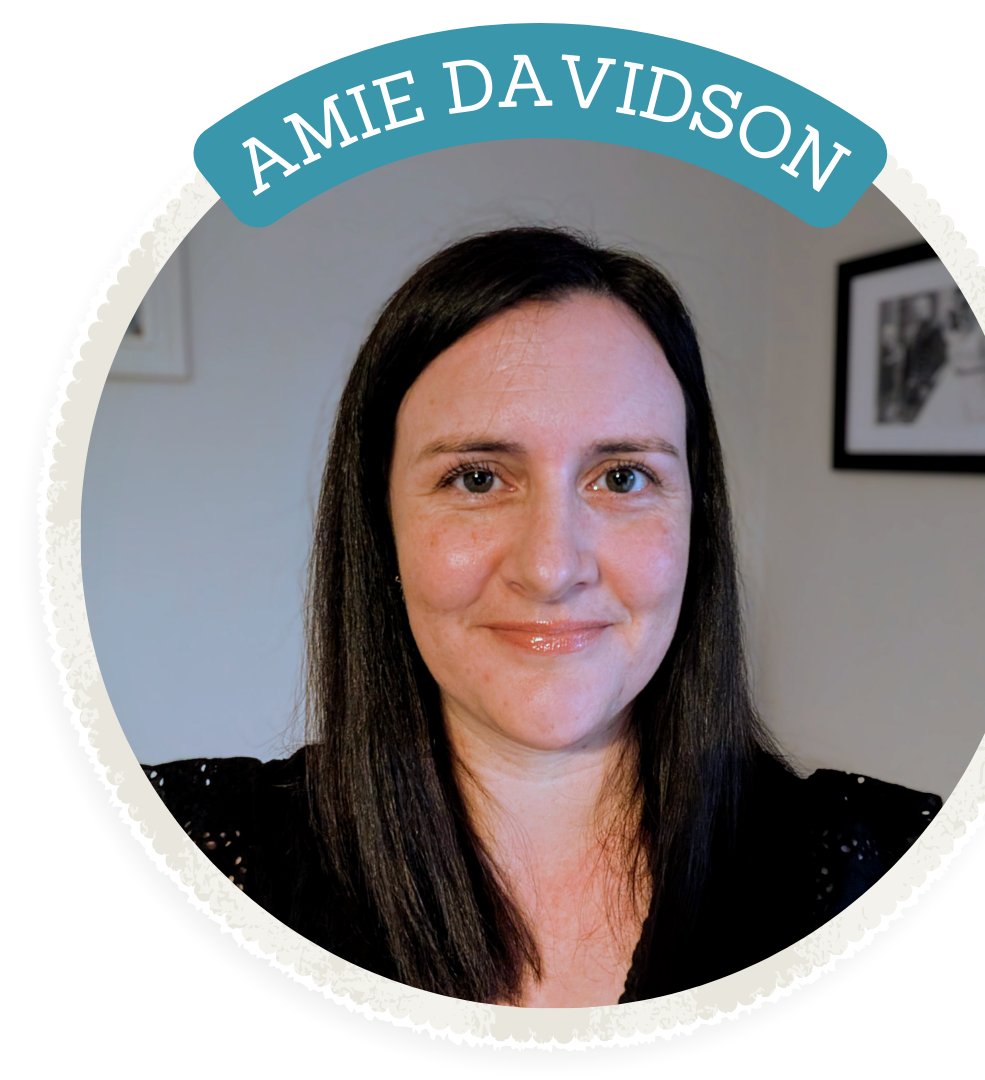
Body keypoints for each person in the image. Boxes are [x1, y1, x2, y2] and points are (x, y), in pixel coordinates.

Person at [143, 227, 941, 1007]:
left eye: (622, 477)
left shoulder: (897, 866)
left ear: (696, 521)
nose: (552, 568)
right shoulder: (188, 852)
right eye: (477, 479)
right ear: (383, 527)